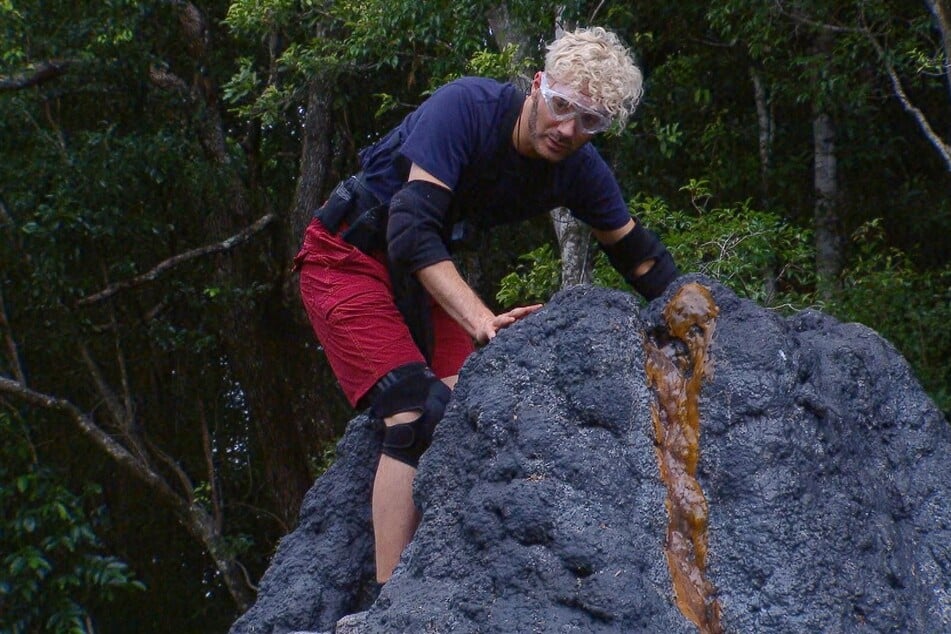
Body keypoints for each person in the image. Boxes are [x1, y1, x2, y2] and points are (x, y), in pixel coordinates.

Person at [294, 26, 678, 583]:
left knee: (473, 399)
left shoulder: (579, 169)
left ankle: (454, 568)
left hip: (418, 280)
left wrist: (701, 317)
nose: (568, 129)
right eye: (562, 106)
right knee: (416, 408)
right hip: (347, 258)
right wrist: (480, 320)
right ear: (539, 86)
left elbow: (639, 258)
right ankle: (391, 601)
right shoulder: (466, 108)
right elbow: (410, 232)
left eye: (589, 121)